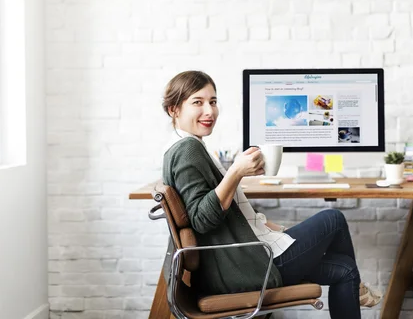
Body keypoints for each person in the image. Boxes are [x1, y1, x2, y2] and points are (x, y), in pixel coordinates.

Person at [161, 71, 382, 318]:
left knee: (345, 269)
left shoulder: (185, 146)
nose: (210, 111)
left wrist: (269, 226)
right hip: (243, 267)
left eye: (213, 101)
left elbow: (221, 211)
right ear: (174, 109)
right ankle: (358, 289)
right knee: (333, 219)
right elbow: (202, 220)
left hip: (238, 260)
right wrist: (236, 172)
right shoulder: (187, 150)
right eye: (197, 102)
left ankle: (356, 285)